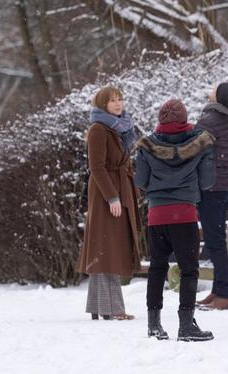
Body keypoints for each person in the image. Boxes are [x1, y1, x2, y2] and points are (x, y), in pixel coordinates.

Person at [134, 99, 216, 341]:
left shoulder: (147, 146)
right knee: (189, 270)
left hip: (157, 215)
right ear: (184, 119)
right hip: (185, 214)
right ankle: (186, 325)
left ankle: (154, 325)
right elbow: (207, 182)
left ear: (160, 119)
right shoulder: (199, 144)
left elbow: (140, 181)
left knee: (157, 269)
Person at [76, 85, 143, 321]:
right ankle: (112, 308)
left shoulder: (121, 128)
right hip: (107, 194)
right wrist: (112, 196)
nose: (118, 103)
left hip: (120, 189)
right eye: (113, 100)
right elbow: (97, 167)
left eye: (120, 99)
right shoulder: (98, 129)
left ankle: (101, 306)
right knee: (106, 248)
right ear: (102, 104)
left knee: (108, 247)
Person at [195, 82, 228, 310]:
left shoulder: (208, 122)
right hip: (225, 186)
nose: (210, 90)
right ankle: (218, 289)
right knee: (217, 239)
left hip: (211, 187)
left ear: (219, 97)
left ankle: (225, 294)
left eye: (214, 89)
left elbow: (194, 149)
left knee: (214, 241)